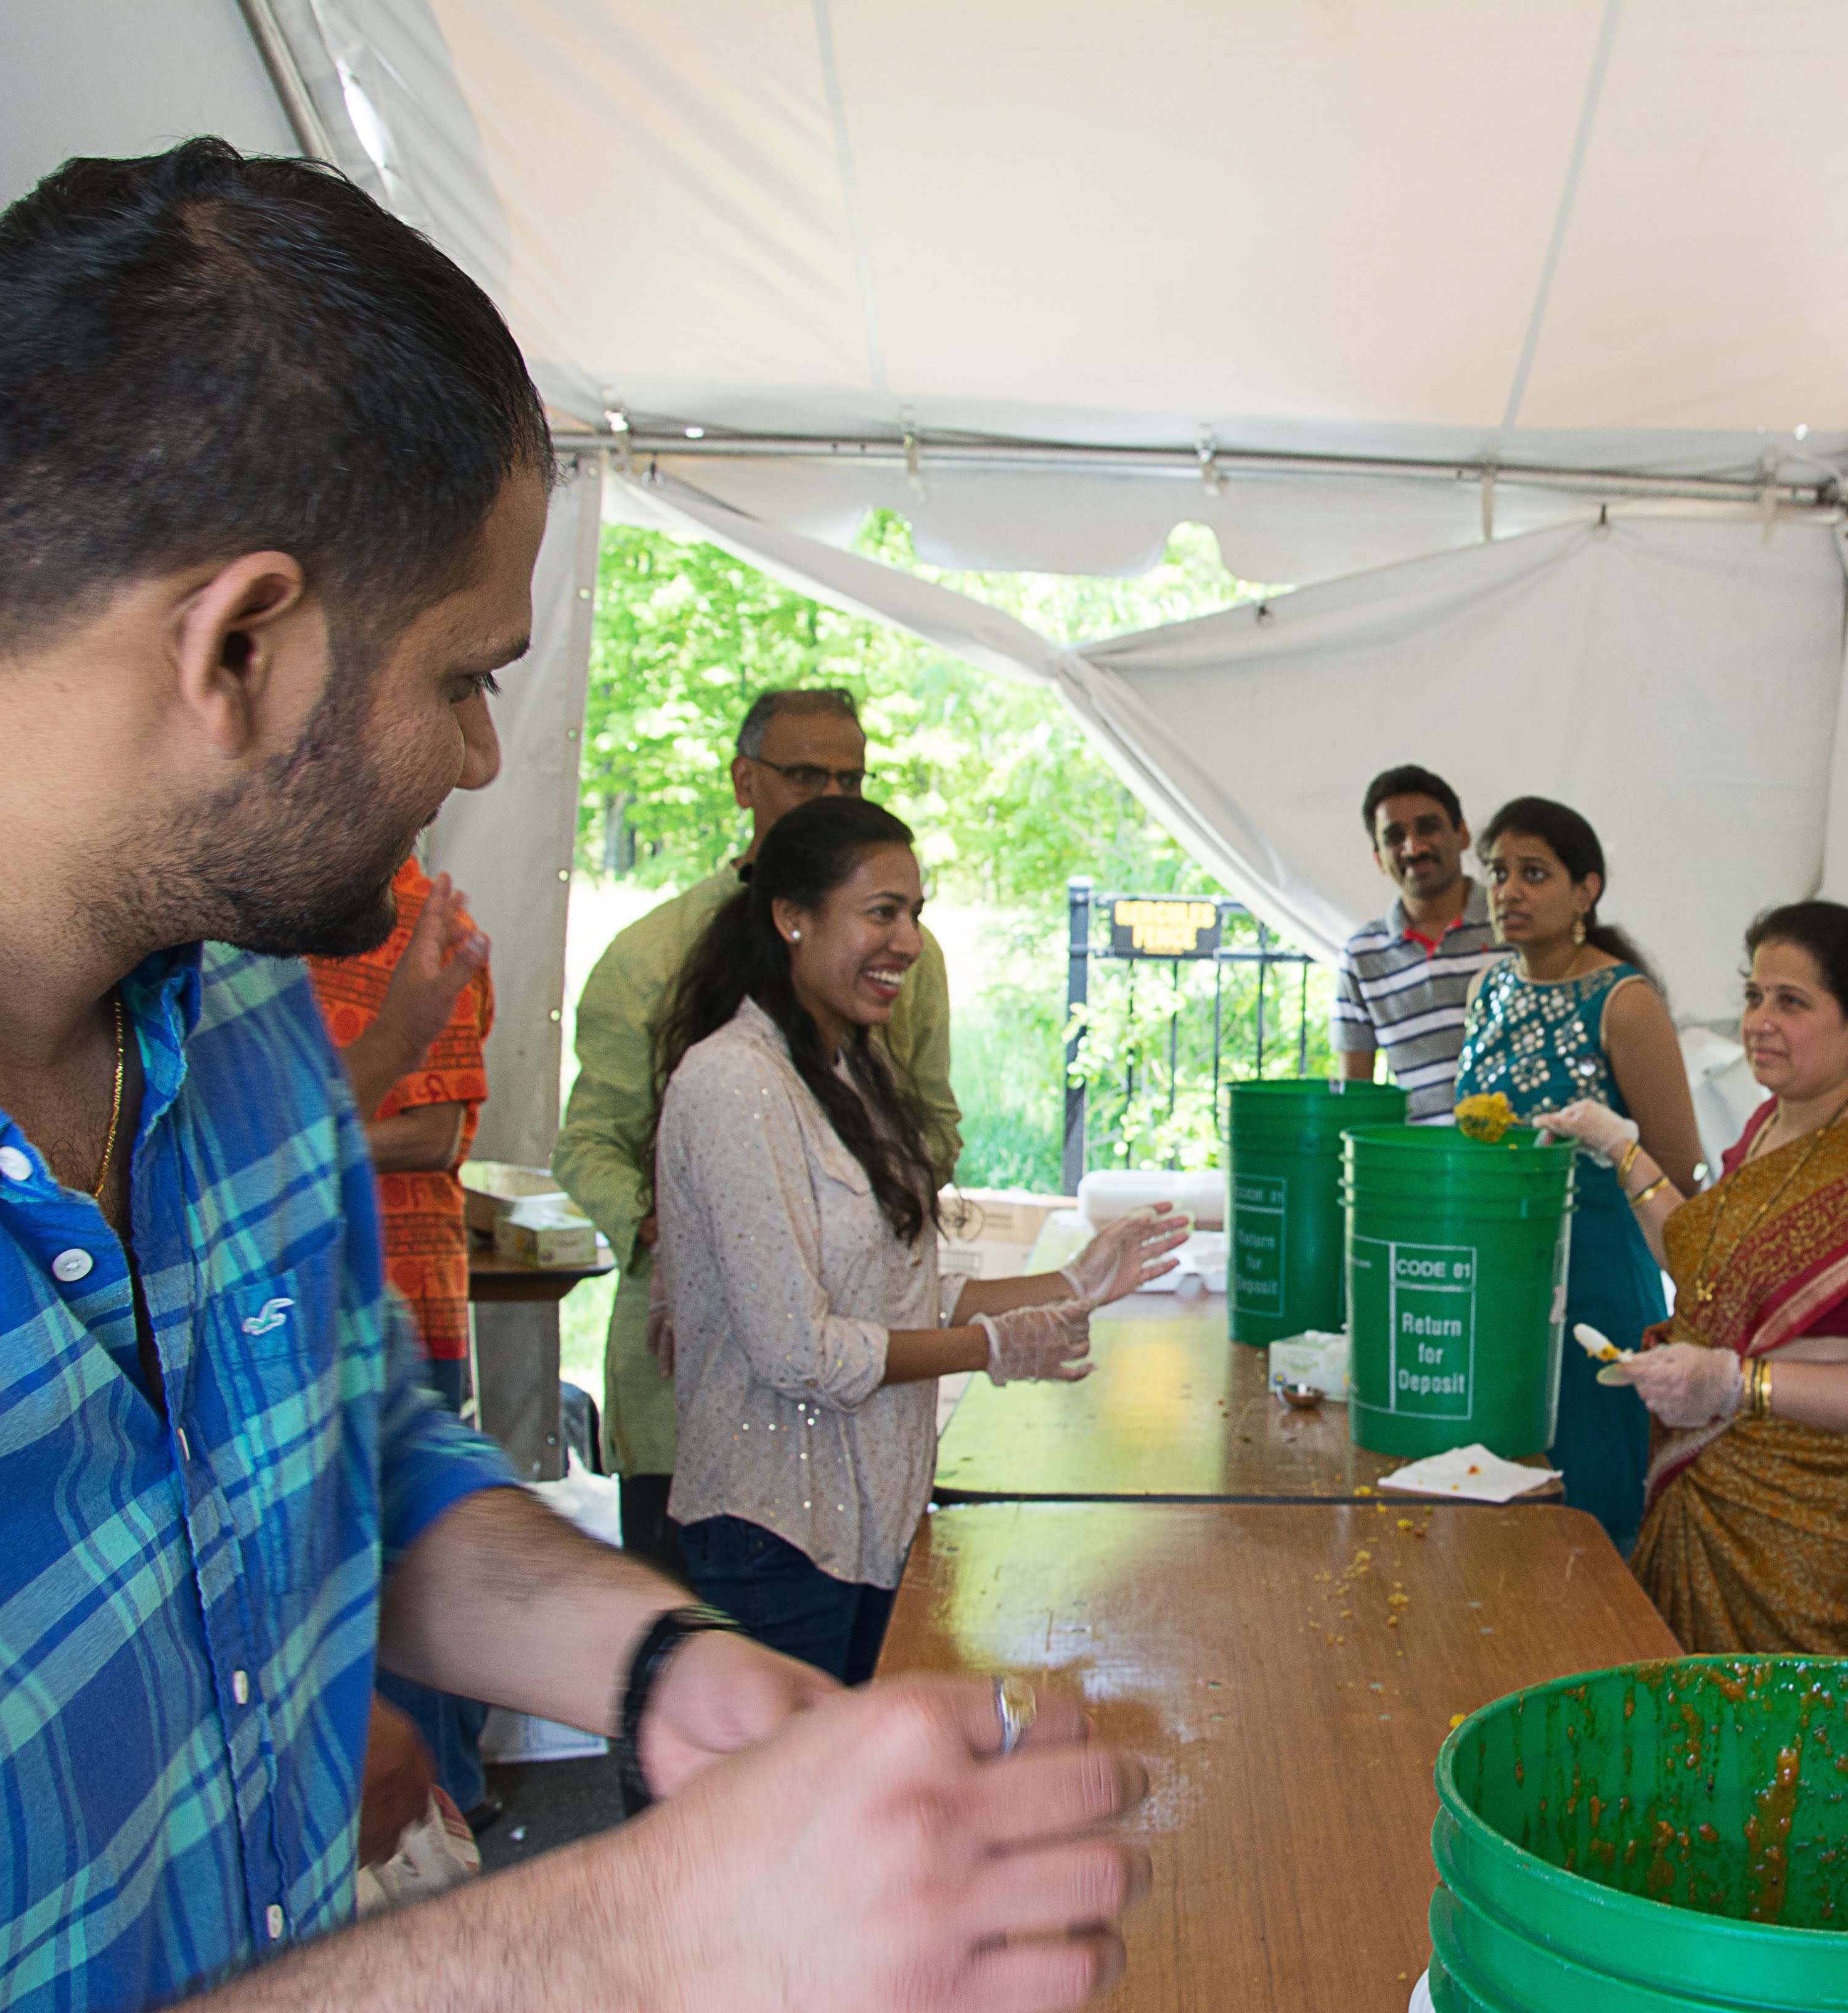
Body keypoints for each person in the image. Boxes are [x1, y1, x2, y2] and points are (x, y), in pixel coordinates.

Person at [0, 139, 1144, 2011]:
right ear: (239, 645)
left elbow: (356, 1441)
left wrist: (658, 1661)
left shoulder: (240, 1009)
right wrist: (631, 1932)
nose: (478, 754)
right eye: (467, 676)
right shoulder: (697, 1062)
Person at [652, 797, 1190, 1683]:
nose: (907, 942)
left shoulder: (849, 1065)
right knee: (811, 1773)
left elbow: (891, 1296)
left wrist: (1071, 1283)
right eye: (881, 913)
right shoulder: (733, 1083)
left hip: (872, 1517)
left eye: (914, 914)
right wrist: (989, 1348)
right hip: (775, 1532)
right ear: (790, 916)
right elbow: (798, 1351)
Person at [555, 685, 963, 1580]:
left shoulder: (903, 954)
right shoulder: (651, 955)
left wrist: (860, 1212)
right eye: (806, 775)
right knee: (696, 1638)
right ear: (745, 782)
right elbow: (586, 1144)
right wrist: (682, 1233)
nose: (831, 796)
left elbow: (935, 1122)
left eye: (851, 778)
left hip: (857, 1384)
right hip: (691, 1378)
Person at [1542, 901, 1848, 1663]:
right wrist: (1621, 1150)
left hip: (1823, 1548)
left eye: (1791, 1002)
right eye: (1753, 996)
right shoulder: (1765, 1128)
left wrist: (1736, 1384)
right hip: (1712, 1496)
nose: (1759, 1022)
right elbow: (1700, 1269)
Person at [1452, 797, 1704, 1549]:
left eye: (1533, 874)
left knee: (1589, 1506)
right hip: (1497, 1280)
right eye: (1497, 872)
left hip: (1596, 1282)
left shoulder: (1624, 1003)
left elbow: (1680, 1170)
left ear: (1585, 890)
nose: (1508, 891)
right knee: (1494, 1500)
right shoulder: (1487, 990)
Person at [309, 856, 501, 1824]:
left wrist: (299, 1143)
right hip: (298, 1299)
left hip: (404, 1290)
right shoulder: (237, 944)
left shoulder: (420, 921)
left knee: (412, 1575)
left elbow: (435, 1134)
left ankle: (447, 1818)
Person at [1332, 763, 1505, 1121]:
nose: (1414, 847)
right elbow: (1355, 1099)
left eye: (1428, 828)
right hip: (1421, 1154)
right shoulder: (1362, 957)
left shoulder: (1513, 924)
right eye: (1394, 837)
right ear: (1379, 859)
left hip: (1523, 1149)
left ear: (1462, 834)